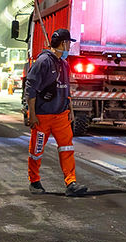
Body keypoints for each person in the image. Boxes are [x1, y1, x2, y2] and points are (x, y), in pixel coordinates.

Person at [25, 28, 88, 197]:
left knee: (67, 149)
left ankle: (71, 182)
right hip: (42, 117)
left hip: (61, 116)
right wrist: (31, 114)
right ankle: (35, 181)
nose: (69, 46)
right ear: (63, 43)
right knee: (36, 151)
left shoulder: (64, 64)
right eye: (68, 43)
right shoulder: (43, 62)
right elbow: (30, 89)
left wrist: (70, 110)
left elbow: (66, 90)